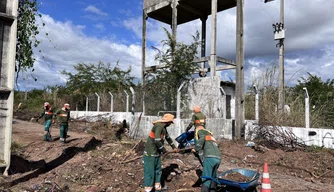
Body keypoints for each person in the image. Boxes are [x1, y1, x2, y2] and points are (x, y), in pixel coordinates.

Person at [143, 114, 179, 192]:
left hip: (157, 153)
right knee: (150, 172)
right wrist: (163, 150)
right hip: (151, 153)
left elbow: (168, 138)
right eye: (170, 122)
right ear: (168, 122)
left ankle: (157, 188)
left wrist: (174, 148)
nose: (170, 124)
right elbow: (157, 140)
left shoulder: (164, 128)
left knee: (158, 171)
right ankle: (148, 189)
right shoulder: (159, 126)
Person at [192, 125, 221, 192]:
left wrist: (195, 149)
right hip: (218, 158)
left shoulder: (202, 135)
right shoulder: (211, 138)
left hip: (210, 158)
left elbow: (198, 146)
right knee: (213, 177)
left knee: (206, 178)